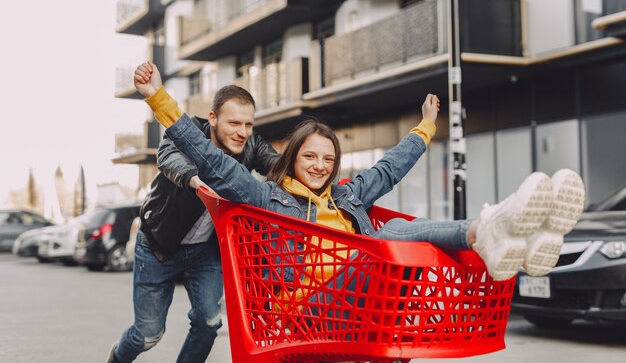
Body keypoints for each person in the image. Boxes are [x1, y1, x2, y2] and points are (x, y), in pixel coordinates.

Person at [132, 61, 585, 289]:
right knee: (384, 239)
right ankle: (487, 227)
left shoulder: (345, 196)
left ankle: (508, 237)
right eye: (310, 157)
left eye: (328, 159)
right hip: (313, 305)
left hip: (363, 295)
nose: (320, 166)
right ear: (291, 159)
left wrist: (426, 126)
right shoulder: (266, 196)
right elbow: (207, 158)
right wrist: (158, 99)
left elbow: (388, 169)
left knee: (390, 230)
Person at [107, 76, 279, 363]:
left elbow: (280, 167)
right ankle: (117, 356)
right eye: (234, 123)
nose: (243, 132)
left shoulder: (253, 146)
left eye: (248, 124)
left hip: (205, 251)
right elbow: (170, 158)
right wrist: (195, 181)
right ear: (212, 118)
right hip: (159, 243)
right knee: (148, 333)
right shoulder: (185, 133)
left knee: (209, 322)